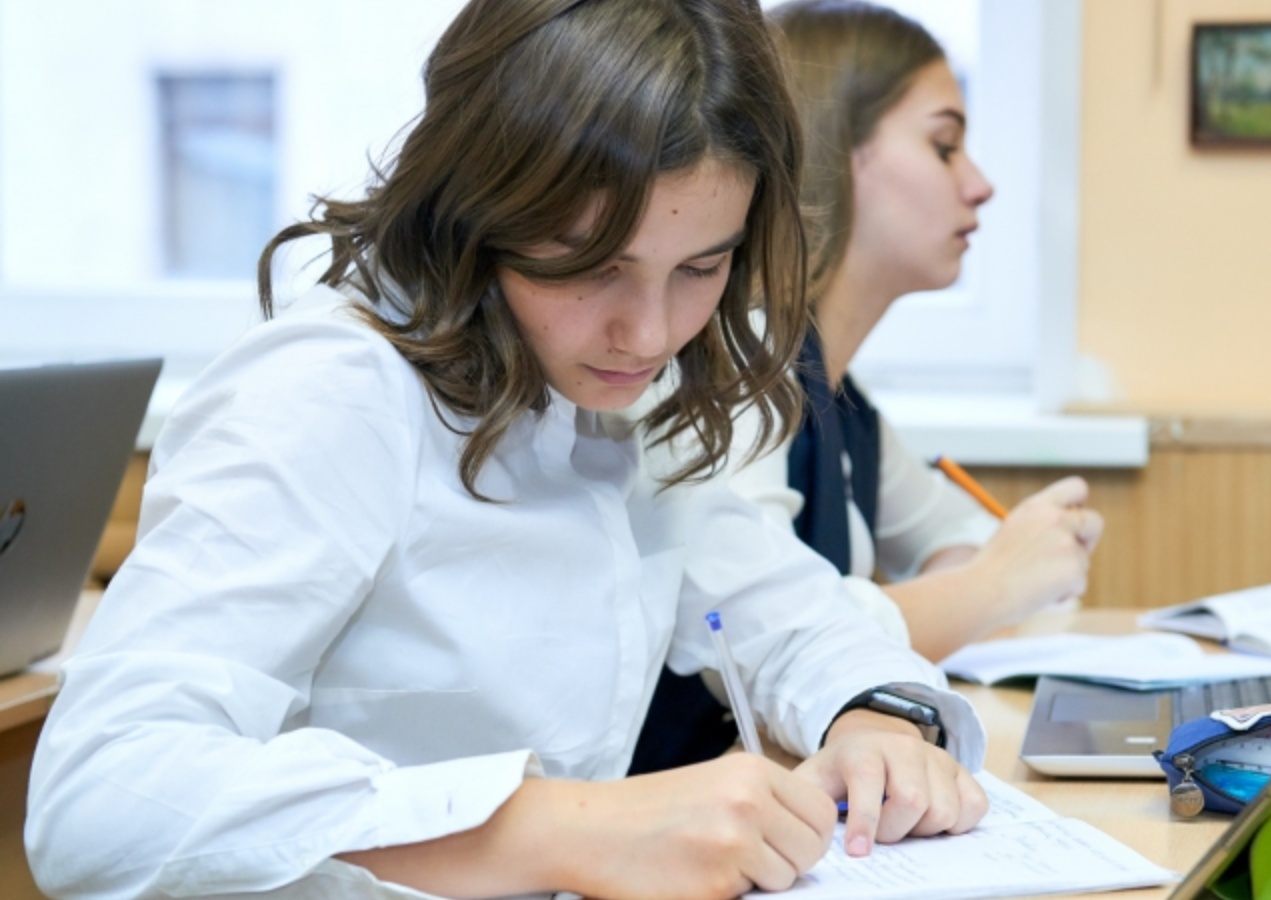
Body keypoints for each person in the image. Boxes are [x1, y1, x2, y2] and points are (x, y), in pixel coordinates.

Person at [24, 2, 989, 898]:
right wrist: (563, 828)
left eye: (701, 267)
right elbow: (99, 796)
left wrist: (873, 717)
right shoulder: (332, 390)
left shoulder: (619, 390)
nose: (650, 335)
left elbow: (787, 610)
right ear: (479, 210)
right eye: (591, 266)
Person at [630, 0, 1104, 776]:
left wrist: (988, 573)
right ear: (835, 150)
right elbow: (750, 627)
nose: (980, 184)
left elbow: (958, 536)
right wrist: (992, 586)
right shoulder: (737, 365)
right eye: (944, 146)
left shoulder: (838, 387)